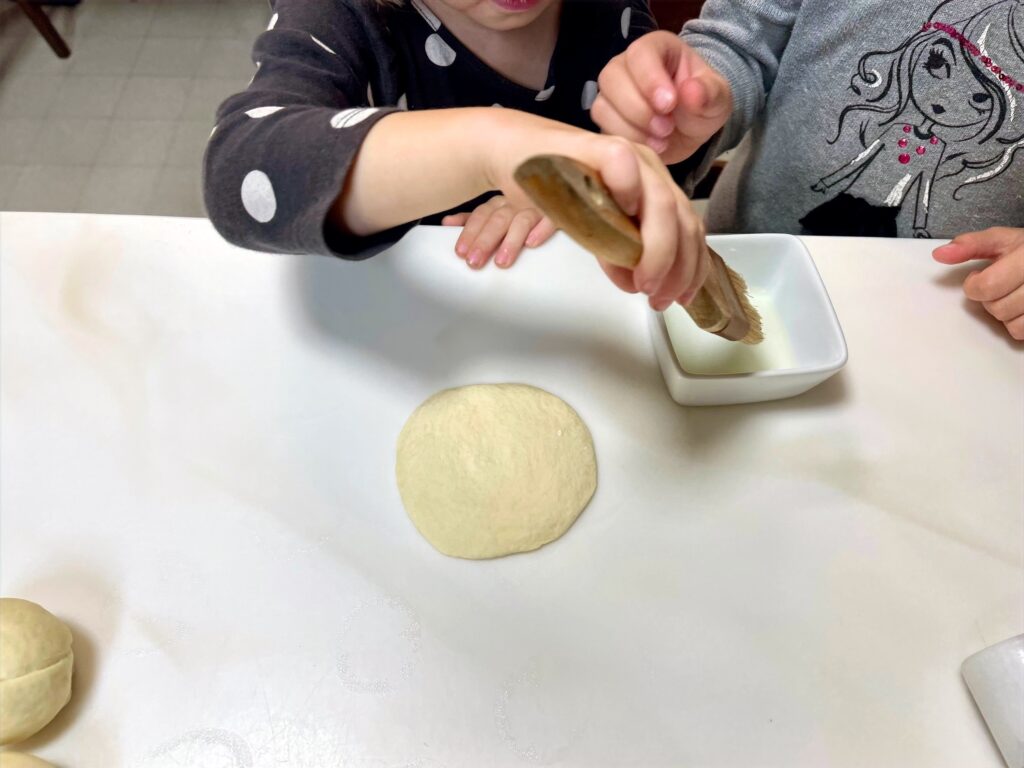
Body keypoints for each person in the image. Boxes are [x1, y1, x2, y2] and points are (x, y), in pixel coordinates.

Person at [203, 0, 711, 313]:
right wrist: (492, 146)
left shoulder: (610, 13)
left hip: (560, 314)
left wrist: (683, 126)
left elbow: (653, 177)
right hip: (403, 323)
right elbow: (241, 170)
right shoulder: (345, 14)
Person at [591, 0, 1024, 339]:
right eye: (937, 64)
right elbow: (740, 41)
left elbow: (920, 184)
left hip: (958, 322)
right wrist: (690, 99)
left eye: (979, 98)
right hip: (748, 259)